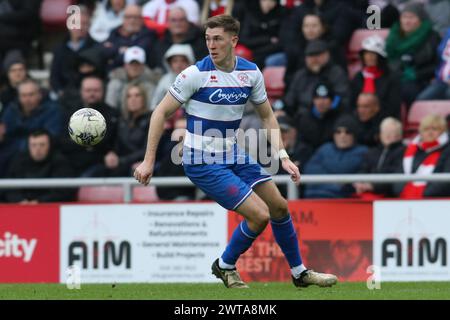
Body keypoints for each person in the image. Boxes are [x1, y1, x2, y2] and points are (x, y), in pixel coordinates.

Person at [133, 14, 337, 289]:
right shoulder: (195, 74)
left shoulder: (250, 73)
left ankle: (299, 273)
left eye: (217, 39)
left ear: (234, 40)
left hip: (232, 152)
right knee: (259, 215)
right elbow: (160, 112)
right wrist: (148, 161)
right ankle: (225, 265)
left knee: (278, 206)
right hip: (201, 160)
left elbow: (267, 116)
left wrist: (283, 157)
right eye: (207, 39)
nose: (211, 45)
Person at [386, 2, 441, 107]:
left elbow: (436, 65)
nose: (407, 21)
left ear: (420, 19)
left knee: (407, 89)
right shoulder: (393, 38)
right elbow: (389, 62)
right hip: (397, 78)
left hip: (423, 80)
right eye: (404, 17)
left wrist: (416, 74)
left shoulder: (431, 37)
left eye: (411, 17)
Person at [304, 115, 368, 198]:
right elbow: (309, 169)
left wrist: (326, 178)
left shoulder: (363, 152)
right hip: (313, 197)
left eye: (347, 132)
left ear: (354, 135)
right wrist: (336, 182)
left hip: (342, 200)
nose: (342, 135)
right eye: (338, 132)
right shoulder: (324, 148)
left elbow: (343, 168)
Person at [4, 129, 76, 203]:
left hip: (50, 208)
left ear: (49, 145)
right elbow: (9, 188)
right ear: (28, 146)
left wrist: (40, 201)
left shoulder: (60, 162)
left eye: (42, 145)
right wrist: (20, 200)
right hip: (21, 206)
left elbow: (64, 191)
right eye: (33, 145)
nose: (38, 149)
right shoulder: (19, 161)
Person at [282, 40, 349, 119]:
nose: (314, 59)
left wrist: (327, 109)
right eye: (310, 56)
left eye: (318, 55)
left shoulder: (336, 73)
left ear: (327, 55)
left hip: (329, 116)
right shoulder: (300, 75)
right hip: (301, 117)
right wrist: (281, 109)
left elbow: (342, 98)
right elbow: (290, 99)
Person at [393, 114, 450, 198]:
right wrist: (401, 191)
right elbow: (398, 176)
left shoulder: (447, 150)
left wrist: (425, 194)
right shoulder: (410, 150)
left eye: (434, 129)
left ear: (443, 131)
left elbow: (445, 181)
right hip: (406, 199)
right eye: (426, 129)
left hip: (436, 201)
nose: (430, 133)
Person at [350, 35, 401, 119]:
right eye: (366, 54)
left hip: (384, 119)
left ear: (380, 57)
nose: (369, 57)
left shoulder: (391, 78)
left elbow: (393, 106)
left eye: (373, 54)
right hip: (359, 119)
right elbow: (351, 103)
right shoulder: (358, 77)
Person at [353, 117, 405, 199]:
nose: (388, 135)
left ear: (399, 135)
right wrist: (359, 182)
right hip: (366, 192)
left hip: (390, 196)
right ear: (380, 134)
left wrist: (372, 186)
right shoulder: (372, 152)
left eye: (392, 132)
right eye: (385, 132)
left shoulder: (404, 152)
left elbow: (395, 175)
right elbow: (363, 169)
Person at [106, 46, 161, 110]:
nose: (134, 67)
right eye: (131, 64)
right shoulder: (115, 82)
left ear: (143, 65)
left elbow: (152, 108)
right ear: (125, 65)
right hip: (118, 118)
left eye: (137, 64)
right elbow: (110, 107)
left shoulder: (150, 83)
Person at [417, 27, 450, 100]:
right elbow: (441, 56)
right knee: (422, 99)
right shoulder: (449, 32)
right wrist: (437, 75)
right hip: (442, 81)